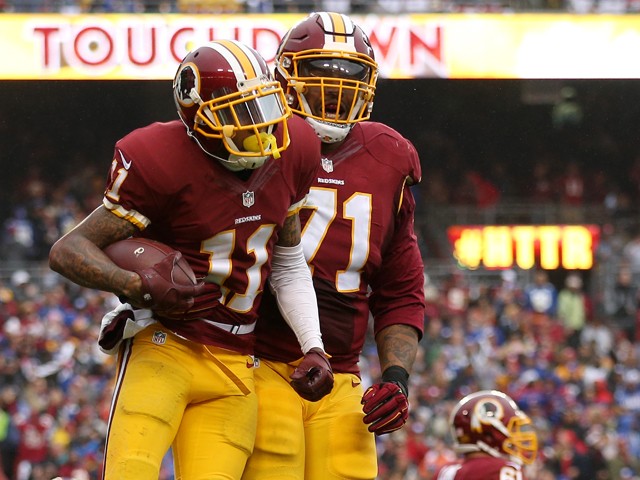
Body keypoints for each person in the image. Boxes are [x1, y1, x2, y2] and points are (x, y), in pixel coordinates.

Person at [48, 39, 334, 480]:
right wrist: (135, 286)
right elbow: (68, 250)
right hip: (167, 345)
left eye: (260, 106)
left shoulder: (295, 148)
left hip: (237, 360)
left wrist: (313, 346)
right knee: (130, 472)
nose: (258, 127)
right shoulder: (160, 159)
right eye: (239, 114)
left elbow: (289, 263)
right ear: (197, 119)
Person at [242, 12, 426, 480]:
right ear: (283, 76)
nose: (333, 93)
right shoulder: (252, 140)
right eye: (319, 77)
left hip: (342, 375)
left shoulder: (388, 156)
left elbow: (400, 291)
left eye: (347, 80)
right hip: (251, 361)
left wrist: (396, 378)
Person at [433, 390, 538, 480]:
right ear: (488, 434)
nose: (513, 436)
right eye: (511, 430)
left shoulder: (445, 471)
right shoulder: (504, 470)